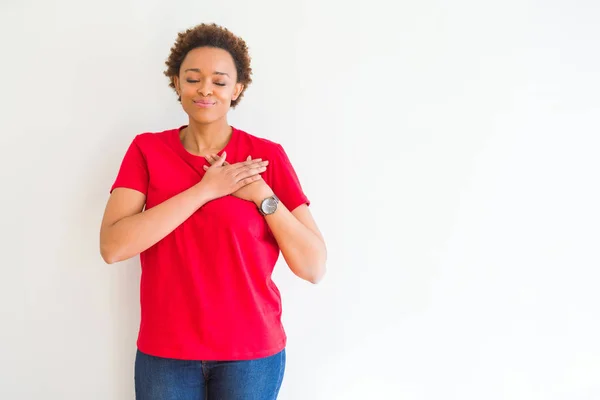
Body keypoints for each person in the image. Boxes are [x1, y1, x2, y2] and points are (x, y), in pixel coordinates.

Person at [99, 23, 327, 400]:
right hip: (166, 353)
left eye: (219, 81)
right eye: (193, 78)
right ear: (177, 83)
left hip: (251, 355)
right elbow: (113, 247)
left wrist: (262, 196)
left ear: (237, 89)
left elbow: (313, 266)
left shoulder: (266, 157)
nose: (205, 89)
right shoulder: (146, 151)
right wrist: (205, 191)